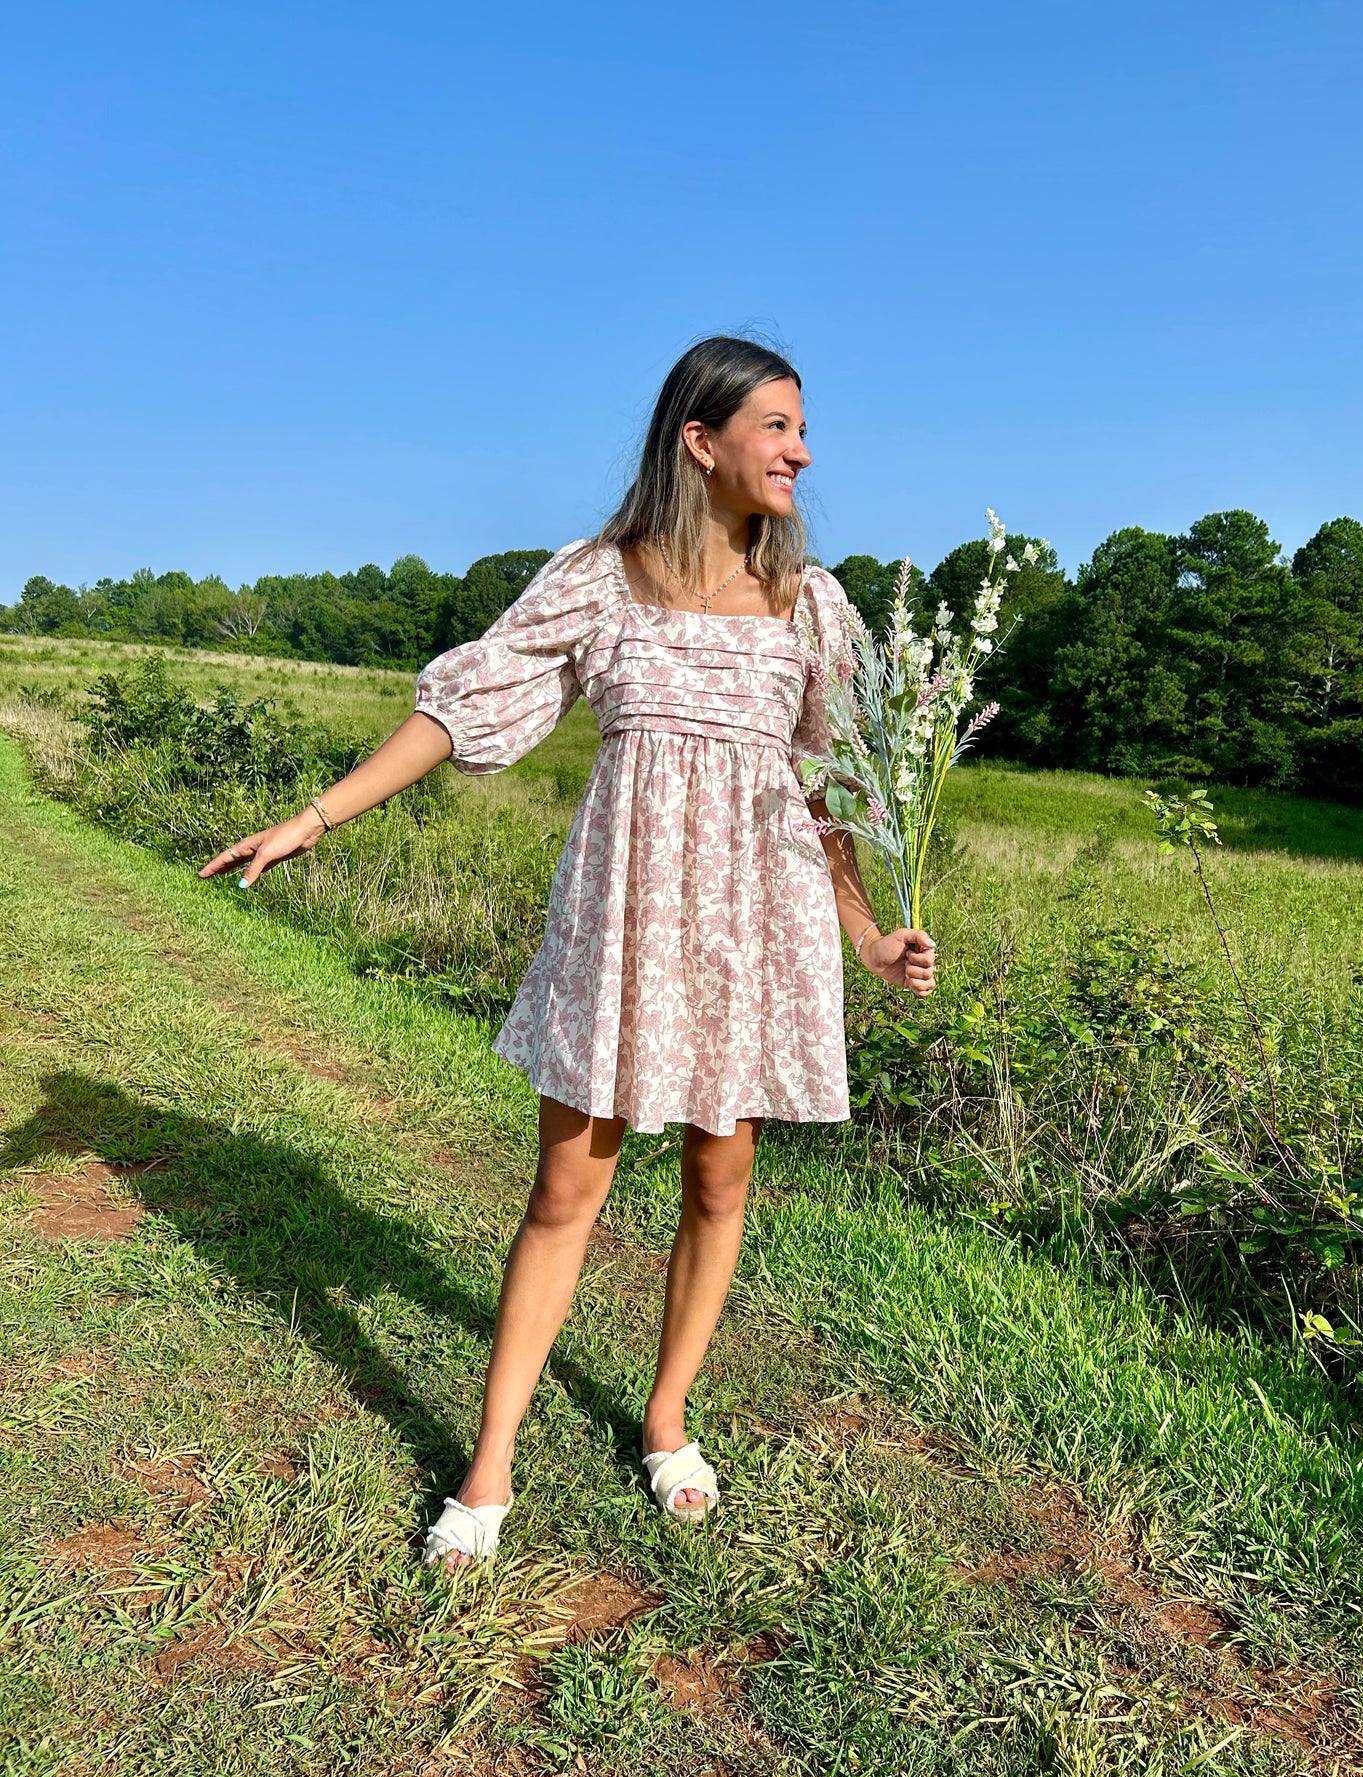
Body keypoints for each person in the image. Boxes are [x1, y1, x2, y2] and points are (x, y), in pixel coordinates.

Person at [201, 336, 936, 1567]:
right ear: (700, 441)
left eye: (803, 428)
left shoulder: (814, 604)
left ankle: (664, 1419)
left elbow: (835, 789)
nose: (801, 450)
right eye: (777, 426)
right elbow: (463, 705)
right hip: (628, 919)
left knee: (719, 1179)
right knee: (565, 1192)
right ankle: (487, 1471)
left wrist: (868, 935)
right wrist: (315, 815)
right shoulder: (600, 578)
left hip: (755, 926)